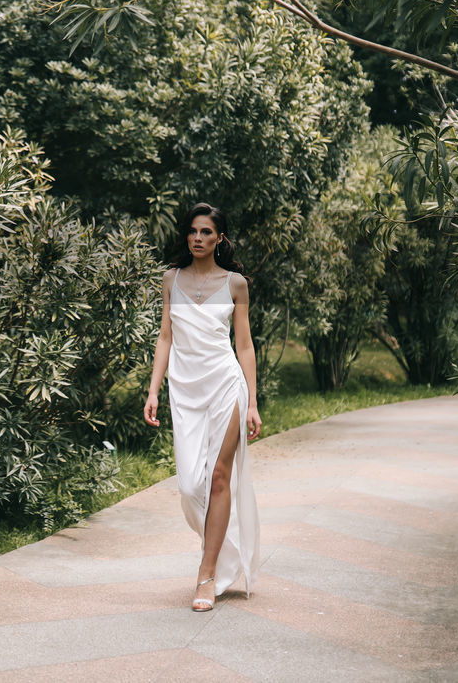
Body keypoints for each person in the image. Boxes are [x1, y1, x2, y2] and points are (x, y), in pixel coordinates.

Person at [144, 203, 261, 611]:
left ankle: (206, 575)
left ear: (220, 238)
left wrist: (253, 401)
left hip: (226, 385)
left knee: (219, 477)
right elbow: (165, 337)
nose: (198, 238)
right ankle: (222, 551)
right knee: (190, 485)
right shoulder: (170, 279)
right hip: (186, 392)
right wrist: (154, 390)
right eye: (193, 231)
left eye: (207, 232)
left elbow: (244, 346)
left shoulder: (235, 284)